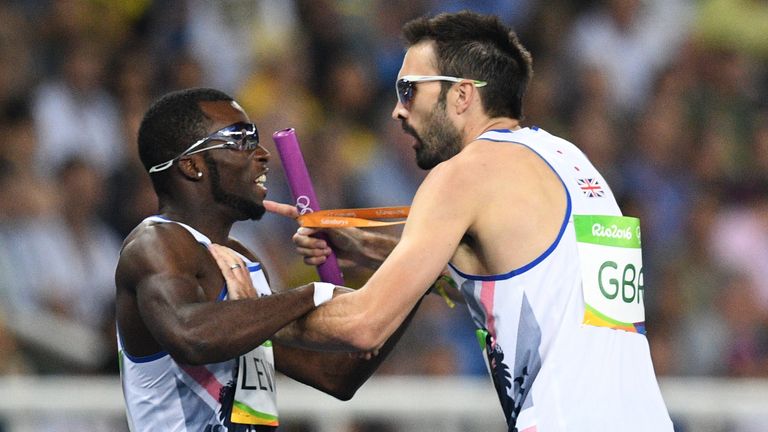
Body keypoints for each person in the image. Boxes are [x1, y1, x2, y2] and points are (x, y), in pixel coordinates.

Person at [270, 11, 673, 431]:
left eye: (409, 90)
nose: (396, 110)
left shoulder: (464, 173)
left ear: (462, 95)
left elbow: (363, 324)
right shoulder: (572, 163)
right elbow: (522, 287)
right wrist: (365, 247)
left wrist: (244, 311)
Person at [115, 88, 415, 432]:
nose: (262, 154)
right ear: (191, 164)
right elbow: (191, 336)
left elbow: (335, 375)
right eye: (240, 139)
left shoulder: (244, 260)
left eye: (255, 138)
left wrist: (419, 268)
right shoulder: (153, 243)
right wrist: (312, 293)